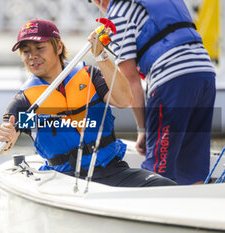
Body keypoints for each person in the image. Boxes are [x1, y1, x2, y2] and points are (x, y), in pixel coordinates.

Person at [0, 18, 176, 187]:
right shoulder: (25, 101)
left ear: (58, 47)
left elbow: (124, 100)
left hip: (113, 170)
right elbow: (4, 143)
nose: (32, 56)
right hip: (64, 179)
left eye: (39, 48)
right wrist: (3, 139)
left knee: (166, 187)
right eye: (26, 51)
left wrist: (101, 55)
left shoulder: (90, 76)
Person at [90, 0, 216, 185]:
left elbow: (130, 78)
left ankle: (154, 209)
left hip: (172, 78)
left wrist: (143, 129)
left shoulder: (118, 12)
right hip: (204, 72)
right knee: (192, 166)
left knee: (158, 167)